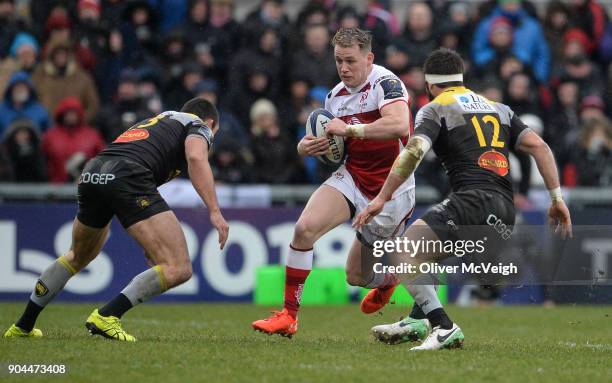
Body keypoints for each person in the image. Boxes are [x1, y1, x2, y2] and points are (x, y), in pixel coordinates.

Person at [353, 48, 572, 350]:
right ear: (461, 78)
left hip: (472, 201)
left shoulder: (435, 108)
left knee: (402, 251)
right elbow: (540, 147)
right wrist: (556, 198)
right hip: (504, 212)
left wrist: (382, 197)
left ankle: (443, 327)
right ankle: (418, 319)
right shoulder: (500, 108)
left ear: (430, 84)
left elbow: (414, 152)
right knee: (424, 254)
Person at [4, 98, 229, 341]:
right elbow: (196, 158)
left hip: (93, 172)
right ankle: (107, 315)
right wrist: (215, 211)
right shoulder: (198, 124)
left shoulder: (160, 121)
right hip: (126, 174)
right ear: (211, 123)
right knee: (179, 268)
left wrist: (151, 241)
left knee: (77, 256)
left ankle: (23, 325)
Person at [252, 27, 418, 337]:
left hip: (391, 189)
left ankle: (388, 280)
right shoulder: (335, 96)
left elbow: (398, 125)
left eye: (351, 61)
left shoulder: (386, 83)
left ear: (369, 58)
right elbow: (332, 146)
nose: (344, 68)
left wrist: (351, 131)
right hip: (353, 176)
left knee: (355, 276)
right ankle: (289, 315)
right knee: (304, 229)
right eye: (338, 61)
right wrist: (307, 147)